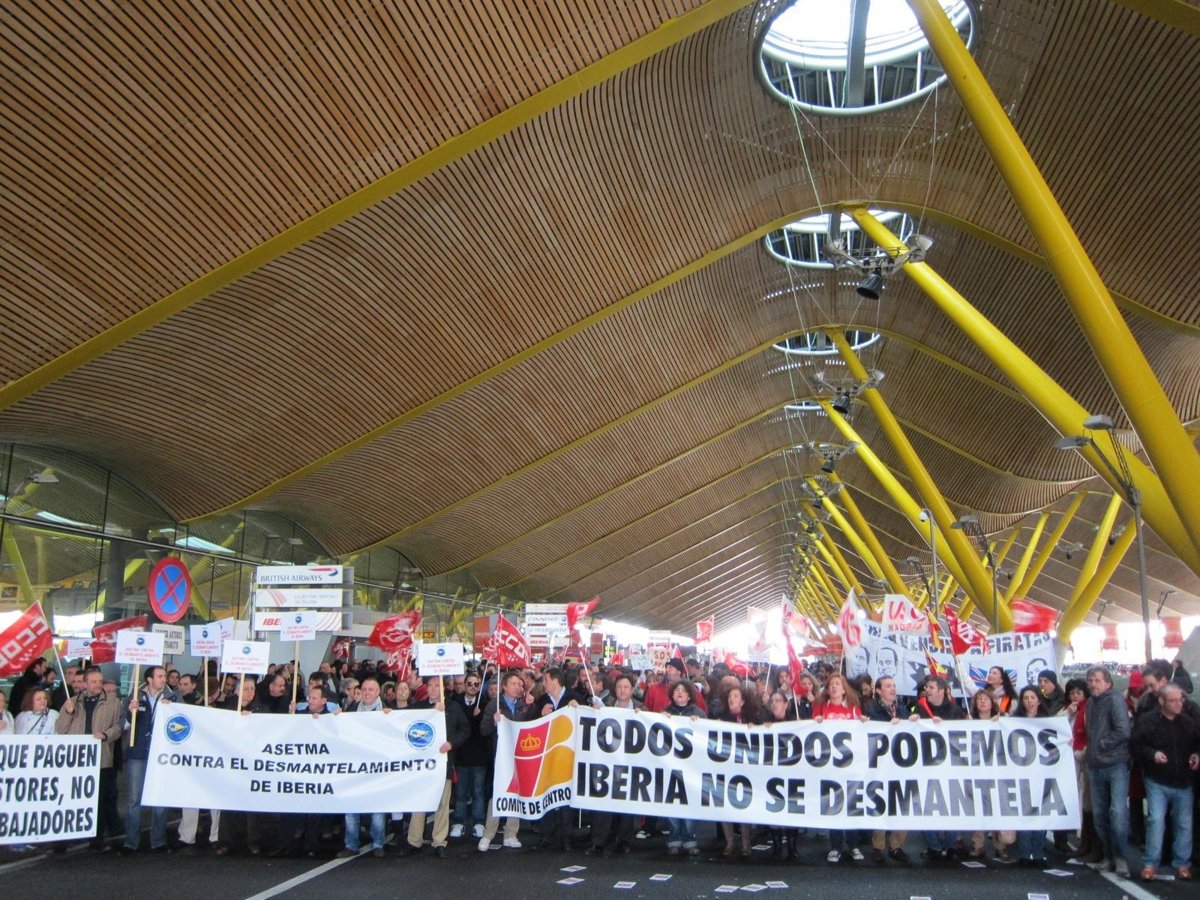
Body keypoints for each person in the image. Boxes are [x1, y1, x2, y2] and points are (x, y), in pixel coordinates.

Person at [1131, 683, 1200, 881]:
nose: (1179, 704)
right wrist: (1152, 754)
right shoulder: (1148, 722)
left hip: (1183, 779)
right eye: (1173, 700)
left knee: (1184, 823)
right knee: (1156, 820)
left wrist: (1196, 754)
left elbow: (1197, 743)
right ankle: (1151, 863)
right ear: (1161, 701)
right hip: (1158, 779)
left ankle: (1182, 864)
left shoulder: (1187, 722)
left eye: (1180, 700)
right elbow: (1136, 745)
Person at [55, 667, 122, 851]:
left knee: (98, 801)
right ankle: (64, 839)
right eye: (93, 682)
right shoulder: (72, 702)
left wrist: (106, 735)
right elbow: (60, 729)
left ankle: (96, 838)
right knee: (70, 799)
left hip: (100, 758)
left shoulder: (113, 703)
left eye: (100, 681)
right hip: (75, 759)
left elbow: (118, 728)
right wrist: (68, 713)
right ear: (85, 684)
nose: (98, 685)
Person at [407, 676, 469, 858]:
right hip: (422, 764)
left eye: (437, 685)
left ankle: (439, 841)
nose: (433, 689)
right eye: (430, 685)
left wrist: (451, 743)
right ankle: (414, 840)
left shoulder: (453, 707)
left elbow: (465, 730)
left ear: (443, 688)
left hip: (444, 762)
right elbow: (405, 725)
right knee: (419, 802)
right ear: (426, 688)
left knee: (442, 803)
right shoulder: (418, 707)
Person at [1085, 666, 1132, 877]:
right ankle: (1109, 855)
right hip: (1096, 765)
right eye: (1090, 680)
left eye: (1097, 680)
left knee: (1117, 812)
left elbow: (1123, 730)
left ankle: (1120, 858)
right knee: (1100, 815)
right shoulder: (1091, 703)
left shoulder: (1115, 700)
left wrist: (1101, 744)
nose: (1092, 684)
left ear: (1107, 682)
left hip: (1115, 764)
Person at [338, 675, 392, 859]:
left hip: (377, 767)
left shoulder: (387, 711)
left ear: (378, 692)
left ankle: (378, 843)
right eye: (364, 689)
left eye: (371, 689)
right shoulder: (351, 710)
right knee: (351, 807)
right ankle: (351, 844)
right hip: (355, 766)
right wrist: (334, 718)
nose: (367, 693)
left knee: (377, 808)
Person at [912, 675, 965, 861]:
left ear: (942, 691)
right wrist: (912, 720)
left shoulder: (956, 711)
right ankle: (933, 845)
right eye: (927, 687)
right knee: (926, 806)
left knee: (951, 806)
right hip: (926, 765)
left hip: (950, 765)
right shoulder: (919, 708)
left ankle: (950, 846)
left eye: (931, 687)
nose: (927, 690)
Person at [121, 665, 171, 855]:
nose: (164, 679)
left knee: (160, 798)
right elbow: (123, 725)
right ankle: (131, 842)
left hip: (161, 754)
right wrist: (130, 712)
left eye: (164, 676)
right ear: (149, 679)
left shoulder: (172, 697)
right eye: (160, 676)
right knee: (134, 799)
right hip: (138, 751)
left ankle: (158, 841)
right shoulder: (135, 696)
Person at [478, 672, 529, 852]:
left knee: (516, 792)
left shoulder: (523, 706)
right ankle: (488, 834)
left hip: (519, 756)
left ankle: (511, 834)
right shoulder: (495, 705)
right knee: (498, 793)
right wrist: (493, 721)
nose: (518, 687)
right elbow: (483, 730)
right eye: (514, 684)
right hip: (500, 756)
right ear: (504, 687)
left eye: (519, 684)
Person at [966, 689, 1014, 861]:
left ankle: (1000, 846)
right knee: (978, 808)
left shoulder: (1003, 720)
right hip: (977, 771)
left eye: (985, 699)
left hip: (997, 771)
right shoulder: (969, 721)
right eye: (979, 699)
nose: (982, 702)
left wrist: (1001, 721)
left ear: (992, 702)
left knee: (996, 807)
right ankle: (978, 845)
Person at [866, 676, 909, 864]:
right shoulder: (872, 710)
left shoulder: (903, 709)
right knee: (881, 803)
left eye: (894, 685)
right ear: (878, 690)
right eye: (888, 686)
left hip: (901, 764)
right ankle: (878, 846)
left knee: (902, 803)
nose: (893, 689)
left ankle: (896, 846)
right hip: (882, 764)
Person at [662, 680, 702, 856]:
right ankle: (674, 838)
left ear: (689, 695)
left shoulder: (698, 713)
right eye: (676, 690)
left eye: (683, 690)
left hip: (691, 767)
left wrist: (699, 723)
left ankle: (689, 838)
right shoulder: (665, 712)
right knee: (672, 802)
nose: (679, 692)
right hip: (670, 765)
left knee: (689, 802)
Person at [1013, 686, 1050, 865]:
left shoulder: (1049, 721)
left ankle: (1038, 853)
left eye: (1032, 697)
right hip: (1021, 773)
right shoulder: (1014, 721)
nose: (1029, 701)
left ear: (1039, 700)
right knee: (1025, 813)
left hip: (1042, 773)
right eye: (1026, 698)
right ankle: (1024, 854)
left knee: (1041, 813)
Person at [451, 672, 490, 839]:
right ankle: (459, 822)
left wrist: (480, 716)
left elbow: (485, 730)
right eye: (470, 684)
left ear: (480, 686)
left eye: (476, 684)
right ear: (464, 685)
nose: (473, 687)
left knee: (478, 791)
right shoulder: (456, 703)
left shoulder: (485, 703)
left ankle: (478, 822)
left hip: (479, 755)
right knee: (460, 791)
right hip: (461, 755)